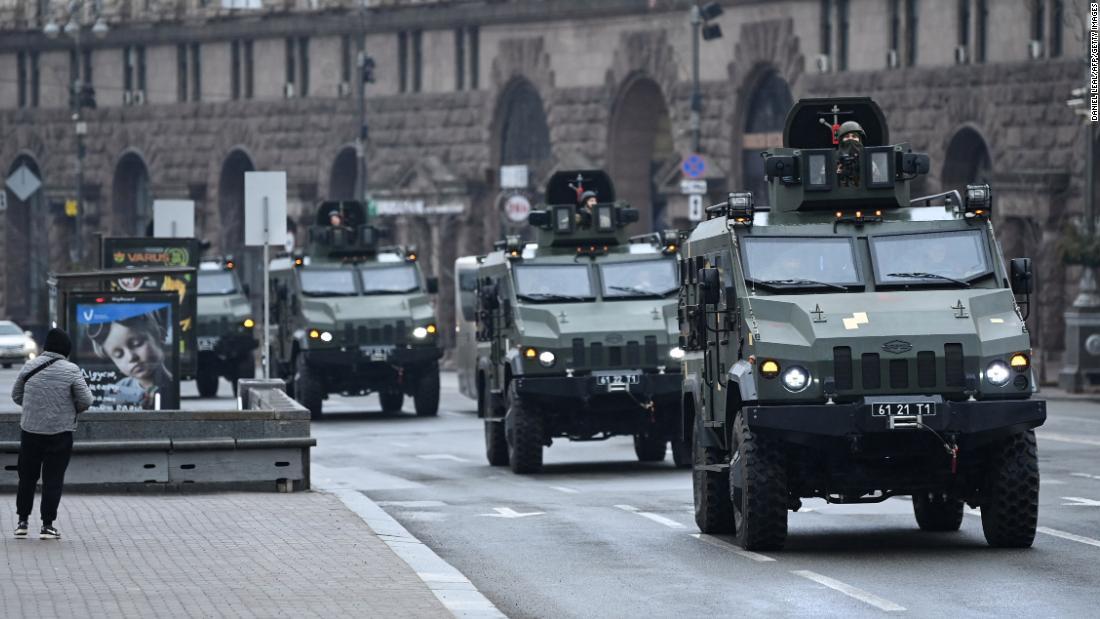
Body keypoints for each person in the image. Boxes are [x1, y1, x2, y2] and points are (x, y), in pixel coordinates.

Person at [11, 328, 93, 540]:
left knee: (27, 478)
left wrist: (34, 409)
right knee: (53, 479)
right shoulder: (71, 369)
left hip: (30, 431)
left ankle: (22, 522)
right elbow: (86, 400)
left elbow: (16, 395)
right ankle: (47, 525)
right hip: (60, 433)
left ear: (46, 347)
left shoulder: (29, 366)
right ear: (66, 348)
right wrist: (68, 410)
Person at [89, 313, 173, 410]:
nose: (131, 357)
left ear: (161, 335)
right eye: (119, 355)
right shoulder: (119, 390)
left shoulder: (174, 385)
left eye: (136, 344)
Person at [835, 120, 866, 187]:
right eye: (847, 137)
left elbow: (877, 179)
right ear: (841, 140)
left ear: (859, 140)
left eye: (854, 136)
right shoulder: (832, 158)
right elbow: (822, 180)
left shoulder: (867, 158)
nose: (850, 139)